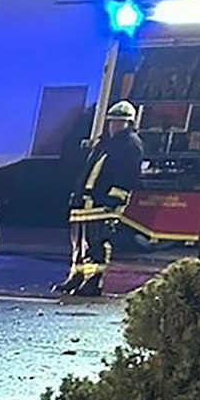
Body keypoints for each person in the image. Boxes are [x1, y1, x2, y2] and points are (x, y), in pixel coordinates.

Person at [55, 99, 144, 297]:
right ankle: (77, 277)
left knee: (96, 244)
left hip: (102, 205)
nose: (115, 125)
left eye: (119, 122)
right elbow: (89, 171)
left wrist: (113, 200)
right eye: (112, 121)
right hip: (85, 203)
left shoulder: (130, 145)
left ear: (129, 123)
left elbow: (127, 176)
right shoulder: (105, 143)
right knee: (79, 244)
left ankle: (93, 282)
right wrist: (78, 195)